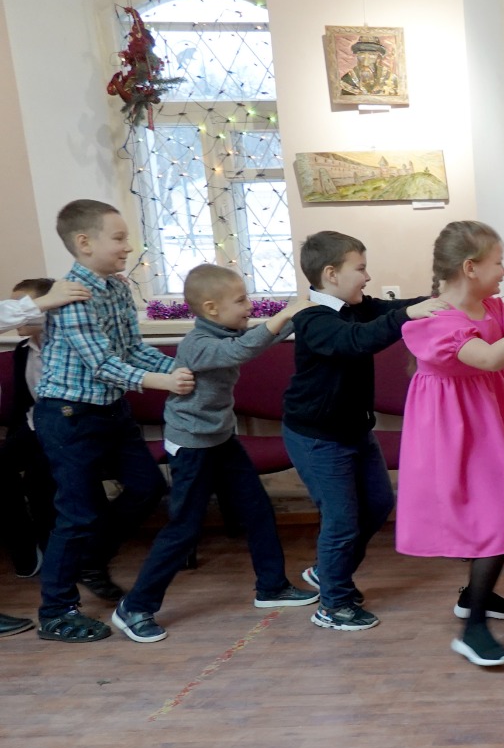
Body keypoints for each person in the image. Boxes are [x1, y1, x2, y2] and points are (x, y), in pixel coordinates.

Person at [109, 266, 318, 642]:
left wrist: (305, 311)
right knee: (184, 528)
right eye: (241, 300)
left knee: (257, 510)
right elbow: (242, 350)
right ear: (211, 308)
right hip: (192, 445)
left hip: (221, 439)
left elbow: (255, 342)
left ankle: (272, 587)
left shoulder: (227, 331)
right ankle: (135, 607)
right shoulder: (198, 343)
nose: (249, 306)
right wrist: (286, 313)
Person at [394, 222, 504, 667]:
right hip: (451, 430)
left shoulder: (491, 307)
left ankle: (474, 597)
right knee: (493, 513)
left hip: (486, 419)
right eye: (498, 262)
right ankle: (473, 630)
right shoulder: (434, 319)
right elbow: (489, 357)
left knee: (497, 507)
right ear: (470, 267)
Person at [30, 200, 195, 642]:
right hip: (69, 415)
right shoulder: (72, 295)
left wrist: (181, 367)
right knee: (77, 514)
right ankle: (56, 612)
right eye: (118, 238)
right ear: (84, 243)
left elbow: (132, 350)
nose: (128, 246)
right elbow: (103, 364)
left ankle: (91, 559)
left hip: (112, 411)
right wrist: (165, 382)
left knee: (147, 487)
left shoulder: (118, 287)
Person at [282, 231, 445, 631]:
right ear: (331, 274)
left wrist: (436, 300)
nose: (368, 277)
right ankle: (333, 605)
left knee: (377, 504)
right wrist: (408, 316)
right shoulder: (312, 318)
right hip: (317, 438)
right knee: (341, 521)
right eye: (360, 269)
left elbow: (392, 308)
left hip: (354, 431)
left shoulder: (356, 306)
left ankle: (328, 572)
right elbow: (355, 341)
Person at [0, 276, 90, 637]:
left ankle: (57, 555)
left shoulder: (68, 345)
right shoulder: (24, 349)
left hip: (65, 429)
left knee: (41, 478)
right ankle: (27, 551)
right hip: (34, 426)